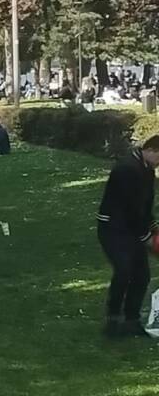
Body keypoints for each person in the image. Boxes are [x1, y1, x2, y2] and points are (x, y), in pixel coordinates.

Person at [97, 135, 159, 338]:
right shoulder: (127, 169)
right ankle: (113, 319)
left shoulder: (148, 170)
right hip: (114, 228)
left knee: (141, 275)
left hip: (132, 227)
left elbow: (145, 204)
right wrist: (145, 238)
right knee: (124, 271)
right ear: (151, 150)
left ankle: (132, 320)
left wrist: (153, 228)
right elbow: (131, 209)